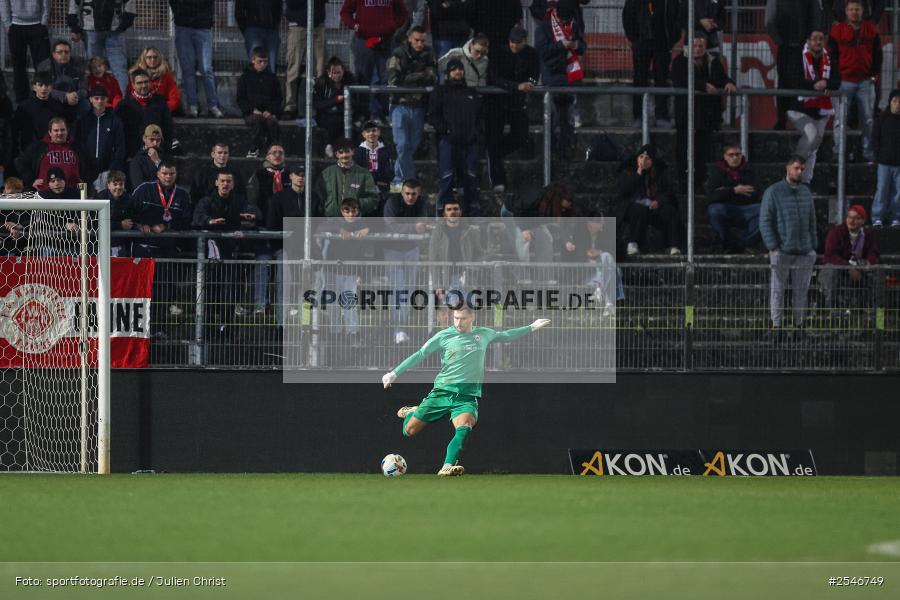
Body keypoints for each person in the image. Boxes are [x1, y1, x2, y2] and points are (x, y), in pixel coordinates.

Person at [382, 306, 551, 476]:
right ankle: (413, 411)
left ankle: (447, 466)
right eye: (455, 318)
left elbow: (506, 335)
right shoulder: (444, 335)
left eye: (462, 318)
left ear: (472, 317)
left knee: (464, 427)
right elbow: (420, 354)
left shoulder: (483, 334)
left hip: (466, 397)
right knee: (409, 431)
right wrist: (394, 373)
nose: (458, 322)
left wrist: (531, 327)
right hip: (442, 392)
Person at [760, 155, 818, 330]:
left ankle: (799, 326)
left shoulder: (805, 192)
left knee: (801, 291)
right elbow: (765, 221)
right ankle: (776, 326)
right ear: (788, 168)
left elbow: (812, 220)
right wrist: (773, 247)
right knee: (777, 290)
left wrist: (812, 245)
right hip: (782, 249)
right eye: (796, 168)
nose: (799, 172)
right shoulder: (773, 191)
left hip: (804, 250)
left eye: (802, 169)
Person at [671, 34, 735, 191]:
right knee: (684, 150)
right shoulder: (680, 61)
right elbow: (680, 79)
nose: (698, 49)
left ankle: (698, 183)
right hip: (686, 114)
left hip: (707, 115)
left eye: (701, 46)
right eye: (694, 45)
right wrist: (702, 85)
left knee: (702, 151)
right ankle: (684, 183)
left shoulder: (713, 61)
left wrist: (729, 83)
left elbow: (723, 78)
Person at [486, 25, 540, 192]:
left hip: (517, 102)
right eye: (512, 42)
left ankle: (496, 153)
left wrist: (530, 84)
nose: (514, 46)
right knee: (493, 138)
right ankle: (498, 179)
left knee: (521, 135)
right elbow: (493, 78)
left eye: (518, 42)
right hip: (497, 102)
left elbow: (534, 75)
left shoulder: (531, 54)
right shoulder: (498, 53)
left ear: (525, 41)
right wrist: (516, 86)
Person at [785, 28, 840, 185]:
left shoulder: (830, 58)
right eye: (814, 38)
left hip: (821, 109)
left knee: (814, 146)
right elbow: (793, 79)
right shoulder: (797, 56)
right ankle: (793, 170)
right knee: (811, 135)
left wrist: (826, 84)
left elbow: (837, 81)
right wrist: (813, 85)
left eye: (821, 39)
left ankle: (805, 181)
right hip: (799, 107)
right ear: (808, 41)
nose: (818, 42)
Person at [429, 59, 482, 217]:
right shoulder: (440, 91)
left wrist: (476, 132)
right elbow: (432, 115)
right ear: (448, 73)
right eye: (453, 70)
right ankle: (442, 214)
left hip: (470, 142)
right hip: (448, 142)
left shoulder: (471, 93)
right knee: (447, 178)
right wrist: (445, 130)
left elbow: (480, 117)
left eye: (460, 69)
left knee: (471, 178)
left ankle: (472, 215)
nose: (457, 72)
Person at [830, 0, 881, 163]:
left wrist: (874, 75)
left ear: (863, 11)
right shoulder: (837, 30)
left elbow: (878, 54)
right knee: (839, 120)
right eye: (851, 9)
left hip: (865, 82)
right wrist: (836, 79)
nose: (854, 12)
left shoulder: (871, 29)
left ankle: (868, 154)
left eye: (857, 9)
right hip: (844, 82)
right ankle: (838, 154)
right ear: (846, 11)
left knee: (868, 120)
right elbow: (832, 56)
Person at [340, 0, 409, 121]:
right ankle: (363, 116)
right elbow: (345, 12)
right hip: (364, 41)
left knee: (387, 78)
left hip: (386, 41)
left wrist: (393, 26)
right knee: (362, 78)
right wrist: (355, 26)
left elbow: (402, 13)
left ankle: (385, 115)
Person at [765, 0, 827, 130]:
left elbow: (769, 21)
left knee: (783, 83)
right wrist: (812, 42)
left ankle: (782, 120)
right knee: (807, 82)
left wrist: (779, 41)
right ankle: (806, 121)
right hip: (804, 46)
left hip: (785, 47)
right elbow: (817, 18)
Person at [318, 197, 371, 346]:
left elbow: (378, 226)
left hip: (351, 271)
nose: (350, 214)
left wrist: (368, 229)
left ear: (358, 211)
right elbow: (320, 227)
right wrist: (338, 230)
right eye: (347, 211)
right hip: (332, 270)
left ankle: (352, 332)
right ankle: (334, 332)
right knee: (332, 303)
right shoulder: (335, 222)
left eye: (354, 211)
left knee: (349, 303)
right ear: (342, 211)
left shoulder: (362, 223)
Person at [388, 26, 436, 191]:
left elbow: (432, 77)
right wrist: (420, 75)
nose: (420, 44)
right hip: (400, 105)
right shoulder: (399, 53)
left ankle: (402, 181)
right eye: (417, 40)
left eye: (423, 40)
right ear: (409, 38)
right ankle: (405, 181)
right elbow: (394, 80)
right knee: (402, 145)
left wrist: (411, 77)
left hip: (419, 106)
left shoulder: (428, 53)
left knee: (411, 147)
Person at [534, 5, 585, 159]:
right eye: (562, 19)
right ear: (555, 13)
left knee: (567, 121)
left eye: (566, 20)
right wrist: (561, 45)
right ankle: (550, 154)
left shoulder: (573, 25)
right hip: (552, 79)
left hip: (570, 78)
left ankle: (567, 152)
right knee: (551, 119)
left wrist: (576, 45)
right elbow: (542, 51)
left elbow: (582, 45)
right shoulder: (543, 28)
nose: (564, 22)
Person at [616, 143, 682, 255]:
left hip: (652, 208)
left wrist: (658, 201)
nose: (643, 160)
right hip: (633, 208)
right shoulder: (628, 171)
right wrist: (638, 173)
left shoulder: (659, 173)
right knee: (638, 209)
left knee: (669, 211)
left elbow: (668, 193)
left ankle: (672, 245)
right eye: (641, 157)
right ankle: (633, 243)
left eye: (647, 158)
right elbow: (623, 191)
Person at [383, 178, 427, 345]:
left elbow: (423, 224)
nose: (410, 197)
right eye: (407, 193)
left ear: (418, 193)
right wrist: (413, 228)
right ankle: (398, 329)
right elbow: (390, 226)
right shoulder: (392, 202)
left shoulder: (421, 203)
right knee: (398, 290)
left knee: (408, 290)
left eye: (413, 194)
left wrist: (412, 228)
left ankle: (402, 328)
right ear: (402, 192)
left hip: (411, 249)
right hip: (393, 250)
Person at [622, 0, 679, 129]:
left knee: (662, 79)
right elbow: (627, 15)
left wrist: (671, 39)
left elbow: (676, 16)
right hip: (641, 41)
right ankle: (639, 116)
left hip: (663, 42)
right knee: (640, 79)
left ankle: (661, 116)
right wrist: (634, 38)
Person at [429, 199, 484, 326]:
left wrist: (473, 268)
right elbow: (433, 259)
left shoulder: (470, 231)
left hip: (468, 278)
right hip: (447, 279)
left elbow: (479, 254)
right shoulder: (438, 232)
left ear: (460, 212)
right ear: (444, 214)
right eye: (449, 209)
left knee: (469, 315)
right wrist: (437, 284)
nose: (452, 212)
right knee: (450, 316)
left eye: (455, 209)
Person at [169, 0, 224, 119]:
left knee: (206, 69)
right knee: (188, 69)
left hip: (201, 25)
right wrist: (180, 13)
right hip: (185, 25)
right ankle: (193, 105)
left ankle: (213, 105)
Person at [66, 0, 135, 94]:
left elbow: (74, 4)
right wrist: (74, 27)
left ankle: (102, 98)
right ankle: (115, 99)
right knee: (115, 69)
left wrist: (74, 27)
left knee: (97, 68)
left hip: (100, 30)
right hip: (109, 29)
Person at [705, 143, 762, 253]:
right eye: (731, 155)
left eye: (737, 154)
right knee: (714, 209)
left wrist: (724, 190)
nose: (735, 158)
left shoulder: (749, 170)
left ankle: (742, 244)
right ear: (725, 157)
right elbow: (711, 196)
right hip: (725, 208)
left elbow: (756, 191)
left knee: (764, 211)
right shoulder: (716, 171)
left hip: (746, 207)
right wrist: (734, 190)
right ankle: (727, 242)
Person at [820, 204, 880, 308]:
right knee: (830, 271)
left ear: (863, 221)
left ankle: (875, 309)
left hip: (859, 266)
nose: (851, 221)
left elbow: (873, 253)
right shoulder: (836, 233)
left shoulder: (867, 234)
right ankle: (830, 308)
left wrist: (868, 262)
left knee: (878, 271)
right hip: (840, 268)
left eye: (856, 218)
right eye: (849, 217)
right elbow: (830, 256)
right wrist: (848, 267)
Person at [501, 182, 575, 264]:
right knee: (522, 240)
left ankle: (544, 270)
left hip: (531, 218)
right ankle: (522, 271)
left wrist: (567, 241)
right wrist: (524, 229)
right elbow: (518, 208)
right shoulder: (537, 195)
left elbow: (562, 225)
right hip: (511, 212)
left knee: (546, 239)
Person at [562, 215, 622, 316]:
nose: (592, 229)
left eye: (595, 227)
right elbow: (577, 255)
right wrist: (589, 261)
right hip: (587, 275)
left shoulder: (607, 234)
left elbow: (615, 252)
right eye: (590, 226)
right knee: (612, 272)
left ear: (601, 226)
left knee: (607, 256)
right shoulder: (580, 234)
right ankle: (609, 303)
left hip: (602, 273)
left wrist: (599, 252)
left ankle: (600, 289)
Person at [131, 159, 191, 257]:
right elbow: (130, 212)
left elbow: (187, 221)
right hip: (144, 246)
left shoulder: (183, 195)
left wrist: (166, 226)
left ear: (176, 174)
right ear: (158, 174)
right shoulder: (144, 189)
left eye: (172, 174)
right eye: (165, 173)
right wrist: (139, 225)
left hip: (169, 249)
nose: (168, 177)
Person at [16, 117, 89, 191]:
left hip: (74, 193)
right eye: (56, 130)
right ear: (50, 132)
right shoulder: (39, 147)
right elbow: (20, 162)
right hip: (45, 193)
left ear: (67, 131)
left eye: (62, 130)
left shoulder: (77, 147)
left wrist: (85, 180)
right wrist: (31, 180)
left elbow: (92, 165)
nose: (60, 133)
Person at [116, 68, 175, 157]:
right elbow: (119, 133)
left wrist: (166, 152)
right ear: (133, 85)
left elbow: (168, 128)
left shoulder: (160, 102)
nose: (143, 85)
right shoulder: (124, 105)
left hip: (157, 153)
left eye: (146, 82)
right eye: (139, 83)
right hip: (132, 155)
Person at [74, 86, 126, 188]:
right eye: (96, 98)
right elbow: (78, 144)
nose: (99, 101)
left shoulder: (114, 121)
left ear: (107, 100)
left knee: (105, 195)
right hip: (86, 168)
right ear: (91, 99)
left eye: (102, 98)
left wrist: (112, 168)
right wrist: (82, 164)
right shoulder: (83, 120)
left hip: (107, 169)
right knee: (84, 195)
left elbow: (120, 147)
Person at [314, 137, 380, 217]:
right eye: (341, 152)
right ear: (336, 154)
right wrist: (327, 208)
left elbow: (373, 198)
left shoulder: (364, 174)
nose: (344, 155)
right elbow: (317, 196)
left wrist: (356, 205)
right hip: (331, 220)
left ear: (353, 152)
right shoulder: (326, 173)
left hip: (355, 220)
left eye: (347, 151)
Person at [236, 48, 283, 159]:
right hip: (251, 113)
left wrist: (270, 111)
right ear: (253, 60)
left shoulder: (272, 78)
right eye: (259, 61)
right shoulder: (245, 78)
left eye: (265, 62)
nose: (262, 64)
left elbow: (278, 98)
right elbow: (240, 99)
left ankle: (271, 149)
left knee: (272, 122)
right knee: (257, 121)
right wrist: (252, 110)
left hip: (268, 112)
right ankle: (254, 149)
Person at [284, 0, 327, 119]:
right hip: (297, 25)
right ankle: (290, 106)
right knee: (293, 68)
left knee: (320, 69)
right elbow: (291, 3)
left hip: (317, 24)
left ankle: (320, 105)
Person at [1, 0, 50, 103]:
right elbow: (4, 3)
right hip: (15, 26)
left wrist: (43, 23)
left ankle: (41, 98)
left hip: (37, 24)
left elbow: (46, 3)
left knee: (42, 66)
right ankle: (22, 100)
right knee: (18, 66)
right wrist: (7, 24)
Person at [313, 56, 357, 158]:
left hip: (344, 113)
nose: (337, 75)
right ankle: (330, 147)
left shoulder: (350, 80)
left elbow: (355, 101)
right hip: (326, 115)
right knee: (331, 123)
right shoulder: (321, 83)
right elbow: (318, 104)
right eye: (334, 73)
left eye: (339, 72)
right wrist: (336, 100)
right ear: (329, 72)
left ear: (343, 71)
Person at [13, 72, 65, 154]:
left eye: (47, 85)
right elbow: (15, 131)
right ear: (34, 87)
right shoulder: (24, 107)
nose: (44, 88)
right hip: (29, 151)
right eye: (40, 85)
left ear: (51, 87)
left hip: (51, 151)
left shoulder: (57, 107)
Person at [37, 40, 89, 120]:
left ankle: (79, 127)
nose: (64, 54)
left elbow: (84, 89)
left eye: (66, 52)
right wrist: (64, 96)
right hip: (54, 99)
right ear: (54, 54)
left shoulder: (79, 64)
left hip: (74, 99)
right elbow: (43, 89)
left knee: (85, 104)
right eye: (60, 52)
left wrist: (76, 95)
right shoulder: (45, 66)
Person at [871, 89, 900, 227]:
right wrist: (878, 156)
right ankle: (877, 217)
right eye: (895, 101)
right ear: (890, 102)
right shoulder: (881, 120)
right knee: (882, 190)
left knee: (898, 193)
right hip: (884, 162)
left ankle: (896, 217)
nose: (898, 104)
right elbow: (875, 139)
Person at [127, 47, 181, 116]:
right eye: (149, 57)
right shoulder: (135, 74)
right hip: (138, 110)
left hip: (160, 111)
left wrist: (162, 109)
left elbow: (174, 98)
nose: (152, 60)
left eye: (155, 57)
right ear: (144, 59)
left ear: (159, 59)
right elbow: (130, 94)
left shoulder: (166, 75)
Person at [190, 142, 247, 206]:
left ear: (228, 154)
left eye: (225, 153)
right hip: (208, 208)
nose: (223, 155)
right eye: (219, 153)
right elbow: (195, 194)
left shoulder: (235, 172)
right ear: (213, 154)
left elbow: (242, 193)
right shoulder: (202, 172)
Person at [247, 143, 289, 226]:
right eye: (274, 153)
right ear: (267, 157)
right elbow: (251, 200)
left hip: (287, 221)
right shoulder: (258, 175)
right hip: (264, 220)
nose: (277, 155)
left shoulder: (290, 175)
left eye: (280, 153)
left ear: (284, 157)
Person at [94, 169, 134, 256]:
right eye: (115, 184)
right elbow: (95, 223)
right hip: (100, 245)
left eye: (121, 184)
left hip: (121, 245)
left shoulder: (129, 199)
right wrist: (120, 224)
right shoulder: (99, 198)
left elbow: (130, 223)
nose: (118, 187)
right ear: (108, 185)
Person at [428, 0, 472, 79]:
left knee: (461, 68)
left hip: (462, 35)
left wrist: (448, 5)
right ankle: (442, 86)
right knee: (442, 68)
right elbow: (437, 11)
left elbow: (469, 8)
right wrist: (459, 4)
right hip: (442, 36)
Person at [353, 120, 394, 205]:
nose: (371, 133)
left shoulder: (387, 151)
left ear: (379, 132)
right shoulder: (357, 153)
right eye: (368, 131)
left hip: (384, 190)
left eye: (374, 130)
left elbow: (390, 173)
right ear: (363, 134)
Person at [235, 0, 282, 74]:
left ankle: (270, 81)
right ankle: (254, 81)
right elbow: (239, 11)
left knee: (271, 66)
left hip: (271, 30)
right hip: (253, 29)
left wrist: (275, 25)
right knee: (256, 65)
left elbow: (279, 7)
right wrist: (246, 30)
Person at [128, 124, 166, 188]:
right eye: (152, 139)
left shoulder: (165, 157)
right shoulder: (137, 160)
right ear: (144, 138)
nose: (155, 143)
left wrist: (157, 161)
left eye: (158, 140)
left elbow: (169, 180)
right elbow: (139, 186)